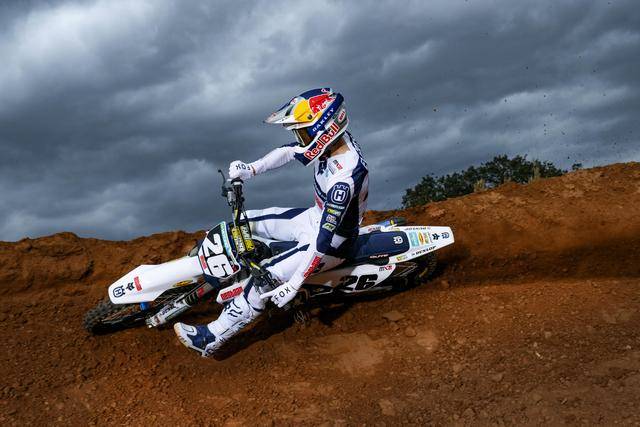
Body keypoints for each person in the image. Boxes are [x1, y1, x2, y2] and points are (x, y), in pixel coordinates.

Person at [174, 88, 369, 357]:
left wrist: (295, 283)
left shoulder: (345, 178)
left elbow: (324, 240)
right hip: (314, 217)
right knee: (244, 224)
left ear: (325, 129)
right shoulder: (332, 142)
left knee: (266, 277)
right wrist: (251, 169)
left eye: (303, 132)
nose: (299, 139)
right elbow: (290, 151)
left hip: (332, 242)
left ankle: (211, 338)